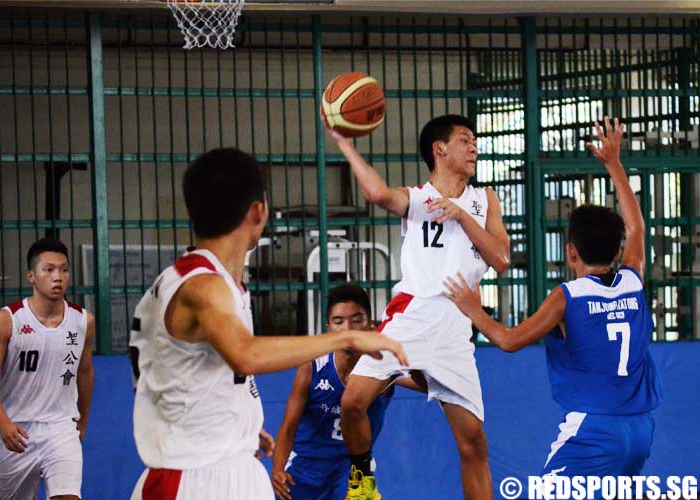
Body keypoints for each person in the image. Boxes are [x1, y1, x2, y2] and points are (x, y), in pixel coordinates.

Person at [128, 148, 408, 500]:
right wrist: (345, 338)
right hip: (197, 477)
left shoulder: (207, 280)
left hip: (219, 463)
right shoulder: (204, 285)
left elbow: (197, 369)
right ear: (258, 211)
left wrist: (239, 424)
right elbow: (245, 355)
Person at [444, 117, 662, 477]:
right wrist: (614, 163)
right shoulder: (632, 281)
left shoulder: (568, 297)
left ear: (571, 251)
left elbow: (509, 341)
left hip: (592, 430)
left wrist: (472, 309)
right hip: (641, 428)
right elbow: (637, 225)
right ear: (617, 250)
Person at [322, 113, 510, 500]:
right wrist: (344, 143)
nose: (473, 147)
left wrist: (461, 216)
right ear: (439, 149)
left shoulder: (484, 198)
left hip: (456, 328)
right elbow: (378, 195)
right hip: (411, 316)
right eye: (464, 139)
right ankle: (362, 480)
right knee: (352, 402)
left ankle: (403, 378)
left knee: (473, 443)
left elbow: (502, 258)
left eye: (474, 140)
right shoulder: (420, 198)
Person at [271, 284, 426, 500]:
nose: (348, 329)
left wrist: (416, 356)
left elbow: (430, 387)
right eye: (338, 321)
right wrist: (278, 468)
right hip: (306, 466)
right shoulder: (313, 366)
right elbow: (289, 425)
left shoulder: (383, 368)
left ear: (371, 327)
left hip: (352, 466)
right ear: (328, 329)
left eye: (356, 320)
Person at [0, 238, 96, 500]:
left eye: (64, 270)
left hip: (61, 427)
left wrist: (83, 419)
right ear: (31, 276)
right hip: (16, 430)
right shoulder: (7, 320)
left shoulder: (82, 321)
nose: (58, 277)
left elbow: (84, 371)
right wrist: (4, 422)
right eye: (49, 269)